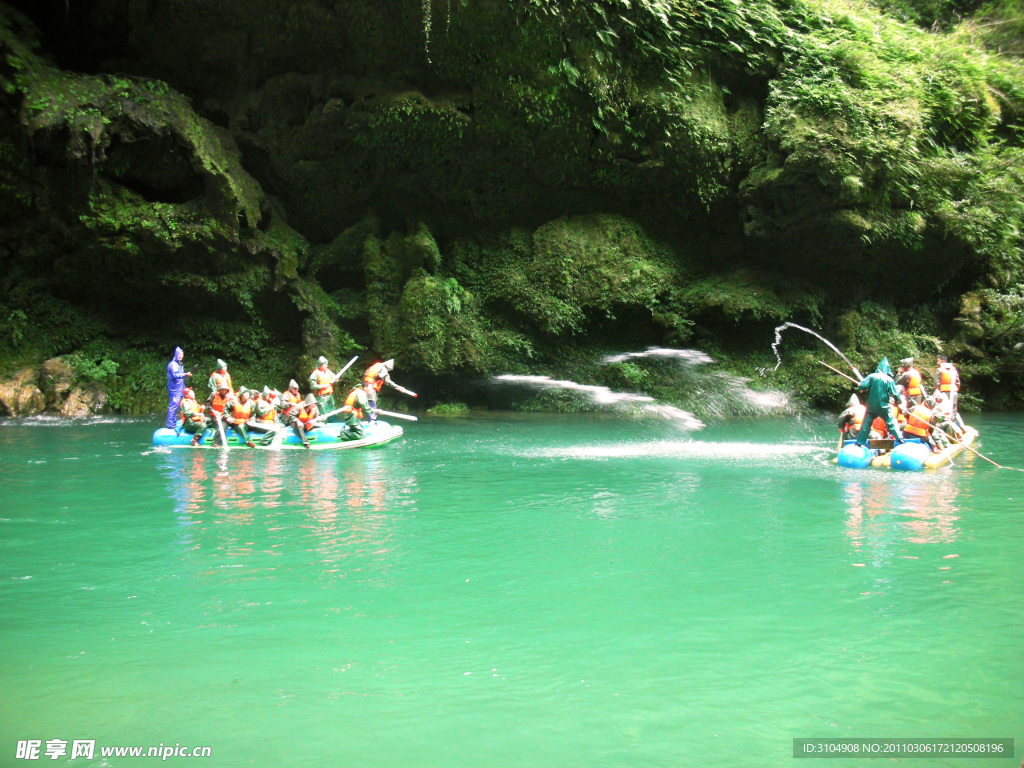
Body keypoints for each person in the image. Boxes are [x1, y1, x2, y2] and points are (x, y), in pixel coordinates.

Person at [854, 357, 904, 447]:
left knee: (866, 424)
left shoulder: (871, 376)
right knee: (891, 422)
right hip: (883, 406)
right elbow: (895, 393)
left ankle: (859, 442)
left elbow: (862, 387)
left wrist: (860, 386)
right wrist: (898, 401)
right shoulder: (889, 380)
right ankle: (900, 439)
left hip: (871, 406)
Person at [165, 347, 192, 429]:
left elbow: (180, 376)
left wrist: (185, 376)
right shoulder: (172, 364)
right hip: (174, 389)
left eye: (182, 355)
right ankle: (170, 424)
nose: (180, 356)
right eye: (179, 355)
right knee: (174, 405)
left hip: (180, 388)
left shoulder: (180, 364)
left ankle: (180, 421)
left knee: (182, 405)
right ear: (176, 355)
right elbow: (175, 375)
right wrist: (185, 374)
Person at [934, 354, 961, 424]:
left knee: (942, 408)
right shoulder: (954, 369)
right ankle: (952, 422)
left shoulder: (939, 370)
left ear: (943, 361)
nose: (937, 363)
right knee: (953, 408)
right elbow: (958, 382)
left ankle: (942, 423)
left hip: (943, 393)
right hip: (954, 392)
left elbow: (936, 383)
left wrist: (936, 394)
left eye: (938, 361)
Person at [309, 356, 337, 420]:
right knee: (323, 414)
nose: (326, 365)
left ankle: (334, 424)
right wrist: (323, 386)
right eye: (324, 364)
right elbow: (313, 386)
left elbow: (334, 377)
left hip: (329, 396)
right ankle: (324, 424)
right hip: (321, 397)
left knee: (333, 412)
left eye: (326, 364)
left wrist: (336, 379)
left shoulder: (328, 371)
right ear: (320, 365)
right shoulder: (315, 374)